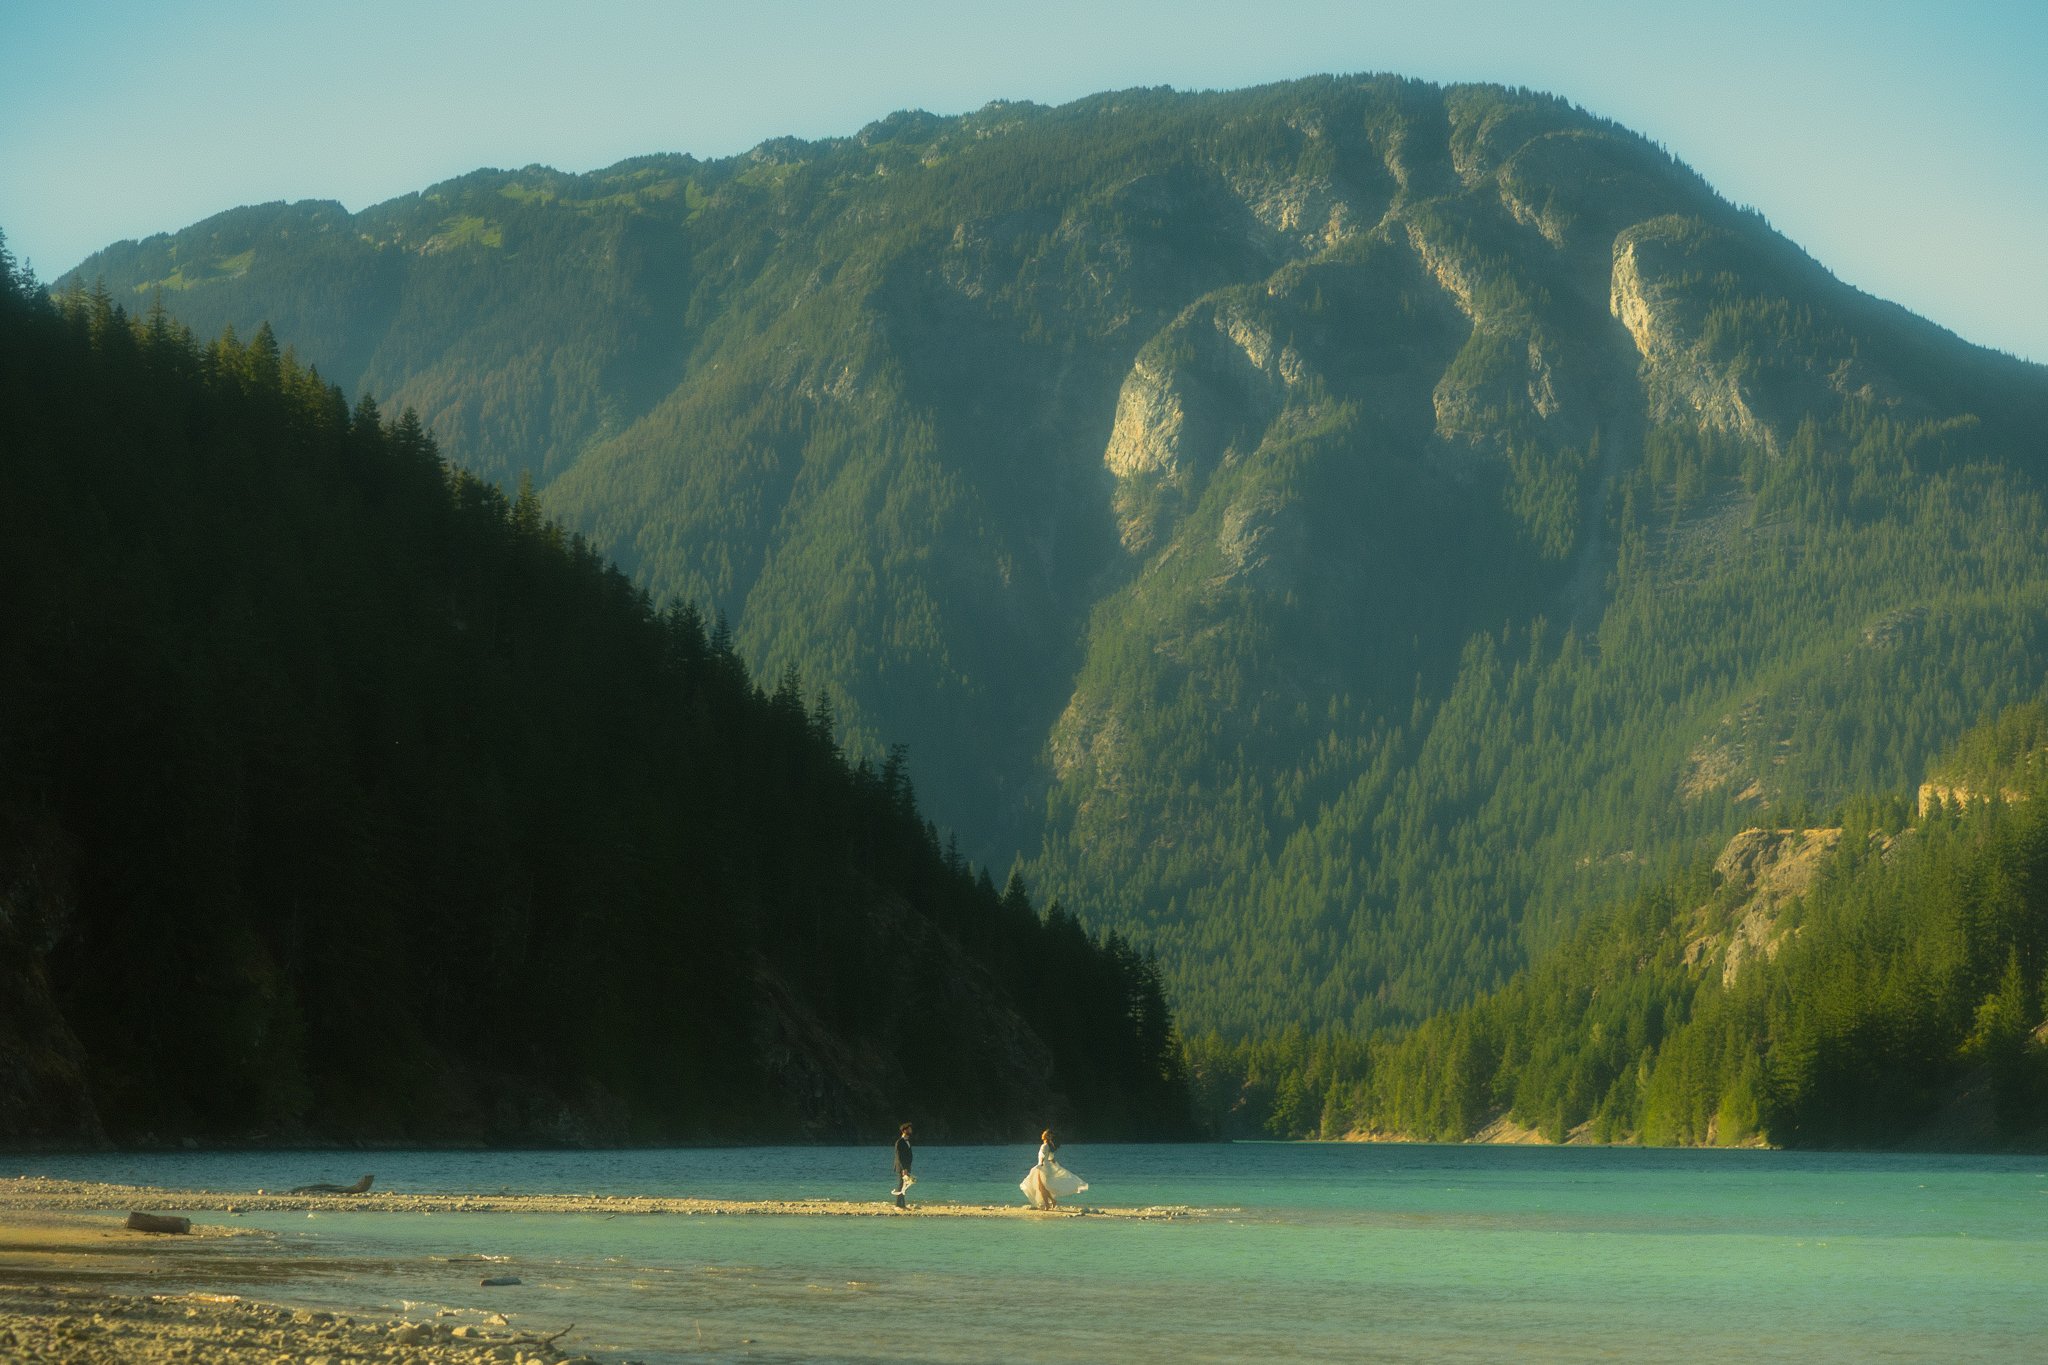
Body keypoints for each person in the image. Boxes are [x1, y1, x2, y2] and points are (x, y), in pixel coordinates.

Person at [1020, 1129, 1088, 1210]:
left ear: (1045, 1136)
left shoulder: (1044, 1146)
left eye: (1045, 1134)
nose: (1043, 1135)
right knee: (1042, 1187)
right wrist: (1054, 1165)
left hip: (1043, 1167)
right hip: (1046, 1167)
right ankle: (1052, 1201)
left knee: (1041, 1187)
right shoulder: (1049, 1146)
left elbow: (1042, 1156)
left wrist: (1041, 1163)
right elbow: (1051, 1158)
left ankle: (1048, 1204)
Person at [892, 1123, 915, 1208]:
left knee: (905, 1185)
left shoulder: (908, 1141)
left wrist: (908, 1167)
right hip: (901, 1167)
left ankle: (902, 1204)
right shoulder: (899, 1142)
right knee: (901, 1184)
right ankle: (898, 1205)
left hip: (906, 1167)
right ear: (904, 1130)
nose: (911, 1130)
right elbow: (899, 1157)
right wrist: (904, 1169)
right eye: (909, 1129)